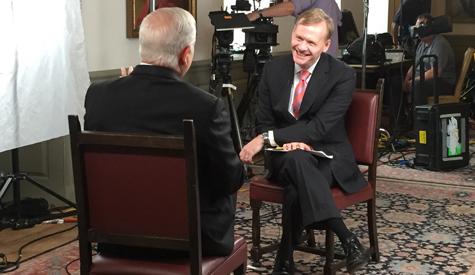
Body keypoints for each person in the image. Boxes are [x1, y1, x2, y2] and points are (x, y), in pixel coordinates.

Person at [84, 7, 245, 257]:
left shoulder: (98, 96)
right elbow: (229, 181)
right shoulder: (206, 107)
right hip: (191, 243)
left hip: (116, 237)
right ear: (186, 54)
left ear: (143, 47)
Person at [240, 8, 369, 275]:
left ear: (326, 45)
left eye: (311, 42)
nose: (302, 47)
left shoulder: (342, 75)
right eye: (299, 37)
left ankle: (284, 261)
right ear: (293, 33)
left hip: (328, 155)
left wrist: (266, 139)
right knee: (297, 160)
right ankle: (348, 239)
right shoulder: (273, 70)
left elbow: (319, 128)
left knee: (297, 185)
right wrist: (278, 141)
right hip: (282, 154)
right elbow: (263, 121)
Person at [388, 13, 456, 130]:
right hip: (424, 81)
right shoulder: (421, 44)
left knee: (417, 86)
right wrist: (407, 78)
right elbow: (415, 65)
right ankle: (400, 123)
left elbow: (436, 72)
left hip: (443, 82)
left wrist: (414, 81)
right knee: (394, 82)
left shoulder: (439, 44)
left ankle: (420, 127)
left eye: (421, 25)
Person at [247, 0, 342, 57]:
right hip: (329, 60)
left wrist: (257, 14)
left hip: (314, 60)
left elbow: (291, 7)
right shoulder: (331, 3)